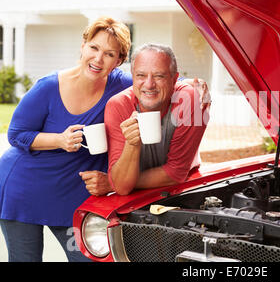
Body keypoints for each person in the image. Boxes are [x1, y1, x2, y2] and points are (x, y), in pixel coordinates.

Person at [0, 17, 209, 262]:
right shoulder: (48, 87)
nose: (98, 59)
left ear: (119, 61)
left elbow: (156, 81)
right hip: (24, 189)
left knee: (86, 258)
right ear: (83, 46)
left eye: (109, 54)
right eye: (94, 48)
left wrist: (193, 86)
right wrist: (59, 140)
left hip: (74, 194)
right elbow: (16, 134)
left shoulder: (120, 84)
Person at [105, 43, 209, 195]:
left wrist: (111, 183)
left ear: (174, 80)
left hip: (183, 191)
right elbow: (122, 187)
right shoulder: (118, 105)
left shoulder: (191, 100)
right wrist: (132, 144)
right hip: (135, 198)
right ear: (133, 77)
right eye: (141, 75)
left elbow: (176, 174)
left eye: (159, 76)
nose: (149, 84)